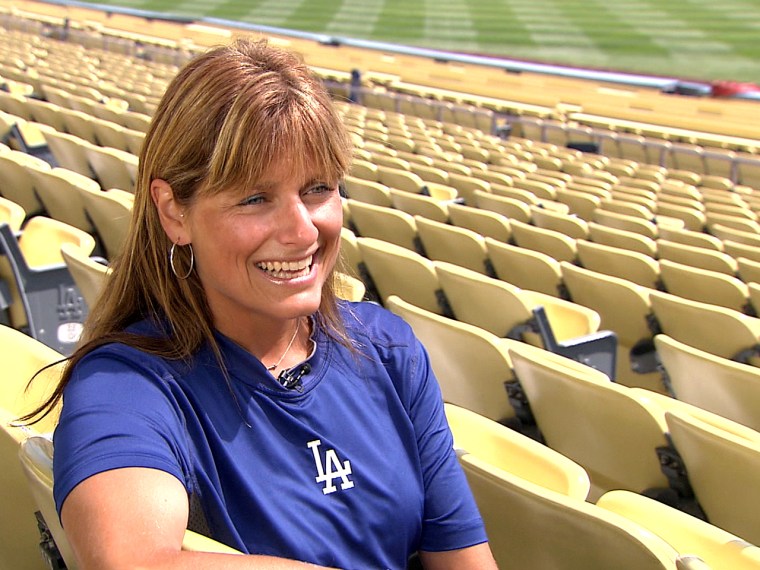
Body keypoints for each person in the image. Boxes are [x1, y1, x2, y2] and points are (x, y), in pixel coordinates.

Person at [32, 38, 497, 569]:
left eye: (319, 189)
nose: (301, 231)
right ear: (174, 212)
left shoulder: (389, 351)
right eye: (255, 198)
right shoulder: (128, 383)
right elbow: (134, 563)